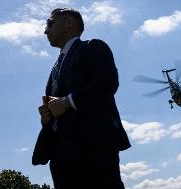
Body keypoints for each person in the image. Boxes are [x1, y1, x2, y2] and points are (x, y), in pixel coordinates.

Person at [32, 8, 131, 189]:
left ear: (69, 23)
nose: (46, 30)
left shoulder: (92, 47)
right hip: (60, 153)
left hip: (92, 147)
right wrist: (47, 116)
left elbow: (107, 82)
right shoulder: (56, 65)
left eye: (49, 23)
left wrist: (66, 102)